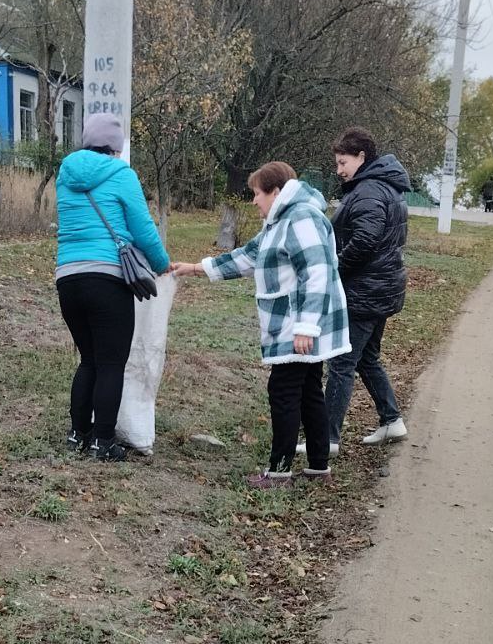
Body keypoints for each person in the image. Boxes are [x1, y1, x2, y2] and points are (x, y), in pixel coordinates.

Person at [172, 161, 349, 488]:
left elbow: (317, 274)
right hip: (295, 323)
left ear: (276, 191)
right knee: (308, 390)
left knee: (283, 391)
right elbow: (247, 257)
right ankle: (318, 468)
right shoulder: (280, 221)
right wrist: (195, 268)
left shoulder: (301, 219)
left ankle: (280, 472)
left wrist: (306, 327)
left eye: (257, 194)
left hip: (298, 325)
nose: (254, 201)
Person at [55, 113, 170, 462]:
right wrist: (162, 265)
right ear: (115, 147)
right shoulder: (122, 174)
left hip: (68, 279)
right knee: (111, 363)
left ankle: (78, 434)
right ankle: (103, 441)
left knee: (88, 359)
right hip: (107, 280)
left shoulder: (65, 174)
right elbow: (143, 228)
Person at [319, 126, 409, 455]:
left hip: (366, 291)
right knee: (367, 358)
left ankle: (326, 440)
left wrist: (334, 267)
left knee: (342, 363)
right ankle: (392, 420)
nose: (339, 170)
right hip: (381, 287)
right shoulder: (382, 186)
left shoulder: (370, 190)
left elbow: (366, 240)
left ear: (361, 157)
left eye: (343, 162)